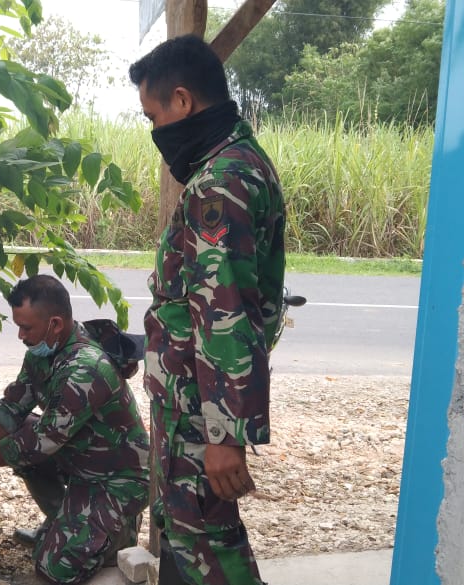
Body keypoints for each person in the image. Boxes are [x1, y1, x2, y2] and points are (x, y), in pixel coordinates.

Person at [129, 35, 286, 585]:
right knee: (185, 532)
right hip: (189, 394)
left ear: (182, 101)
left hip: (200, 404)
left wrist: (224, 434)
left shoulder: (221, 182)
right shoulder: (233, 162)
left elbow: (225, 312)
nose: (154, 131)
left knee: (208, 545)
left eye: (153, 116)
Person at [0, 274, 150, 585]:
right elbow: (10, 409)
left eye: (26, 327)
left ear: (55, 324)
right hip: (82, 457)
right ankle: (64, 522)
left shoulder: (84, 369)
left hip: (117, 479)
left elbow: (39, 444)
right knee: (24, 433)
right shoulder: (42, 354)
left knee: (53, 571)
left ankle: (115, 532)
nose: (20, 335)